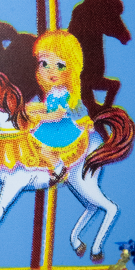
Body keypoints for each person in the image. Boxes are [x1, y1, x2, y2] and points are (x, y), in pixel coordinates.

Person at [27, 30, 93, 182]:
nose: (51, 71)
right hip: (52, 125)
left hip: (62, 128)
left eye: (60, 65)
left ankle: (59, 168)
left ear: (72, 67)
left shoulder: (65, 94)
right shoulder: (53, 92)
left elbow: (57, 115)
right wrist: (31, 109)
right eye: (44, 63)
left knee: (44, 150)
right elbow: (47, 107)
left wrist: (38, 117)